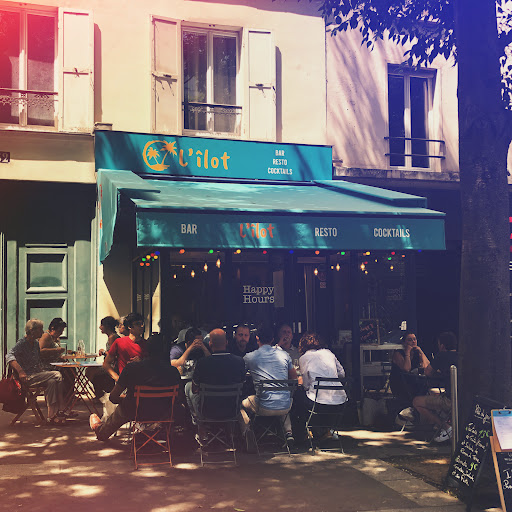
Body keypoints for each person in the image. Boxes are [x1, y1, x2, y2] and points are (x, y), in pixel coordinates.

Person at [89, 334, 181, 441]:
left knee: (123, 408)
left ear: (146, 349)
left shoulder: (132, 368)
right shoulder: (174, 372)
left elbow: (113, 397)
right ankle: (153, 432)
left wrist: (127, 398)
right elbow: (178, 399)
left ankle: (101, 431)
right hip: (163, 413)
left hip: (136, 411)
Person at [241, 326, 298, 448]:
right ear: (272, 339)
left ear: (257, 338)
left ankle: (248, 433)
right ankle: (289, 433)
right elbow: (294, 378)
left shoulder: (249, 357)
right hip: (286, 406)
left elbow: (239, 376)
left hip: (262, 407)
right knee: (282, 397)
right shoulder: (284, 355)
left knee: (241, 404)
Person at [185, 329, 245, 442]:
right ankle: (230, 430)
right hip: (231, 410)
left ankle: (201, 428)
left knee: (188, 386)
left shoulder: (203, 363)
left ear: (210, 344)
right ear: (226, 342)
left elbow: (194, 389)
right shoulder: (239, 362)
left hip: (208, 411)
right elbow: (243, 385)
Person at [6, 319, 68, 424]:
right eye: (40, 329)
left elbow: (37, 360)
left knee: (52, 382)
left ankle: (51, 416)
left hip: (36, 375)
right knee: (57, 375)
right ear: (32, 330)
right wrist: (20, 371)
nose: (43, 332)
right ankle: (61, 409)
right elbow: (9, 356)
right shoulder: (22, 343)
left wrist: (42, 370)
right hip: (27, 377)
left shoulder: (35, 343)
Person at [298, 332, 348, 442]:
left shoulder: (304, 358)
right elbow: (342, 374)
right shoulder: (329, 353)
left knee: (299, 399)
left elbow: (306, 385)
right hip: (339, 401)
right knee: (316, 401)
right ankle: (326, 430)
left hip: (317, 403)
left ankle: (307, 433)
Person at [413, 331, 458, 442]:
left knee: (416, 401)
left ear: (442, 346)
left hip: (450, 400)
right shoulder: (461, 355)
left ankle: (446, 427)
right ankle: (446, 424)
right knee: (435, 393)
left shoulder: (442, 355)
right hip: (463, 398)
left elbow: (428, 371)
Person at [389, 331, 430, 407]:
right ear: (404, 343)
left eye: (414, 339)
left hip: (411, 381)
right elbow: (406, 369)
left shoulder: (416, 352)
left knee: (424, 386)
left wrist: (421, 352)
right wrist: (407, 352)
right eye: (410, 340)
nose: (413, 342)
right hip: (399, 383)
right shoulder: (398, 353)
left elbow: (427, 366)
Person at [103, 312, 147, 382]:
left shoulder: (146, 344)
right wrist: (117, 378)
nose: (141, 326)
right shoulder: (119, 342)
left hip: (142, 382)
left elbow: (152, 366)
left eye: (142, 324)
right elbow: (106, 363)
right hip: (124, 383)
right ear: (129, 326)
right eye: (137, 324)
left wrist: (141, 362)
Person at [90, 316, 120, 398]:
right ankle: (100, 393)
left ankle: (101, 393)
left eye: (101, 325)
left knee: (90, 372)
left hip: (113, 366)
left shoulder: (112, 337)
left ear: (107, 326)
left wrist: (103, 352)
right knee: (91, 370)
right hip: (111, 364)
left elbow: (113, 355)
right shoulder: (112, 336)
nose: (100, 327)